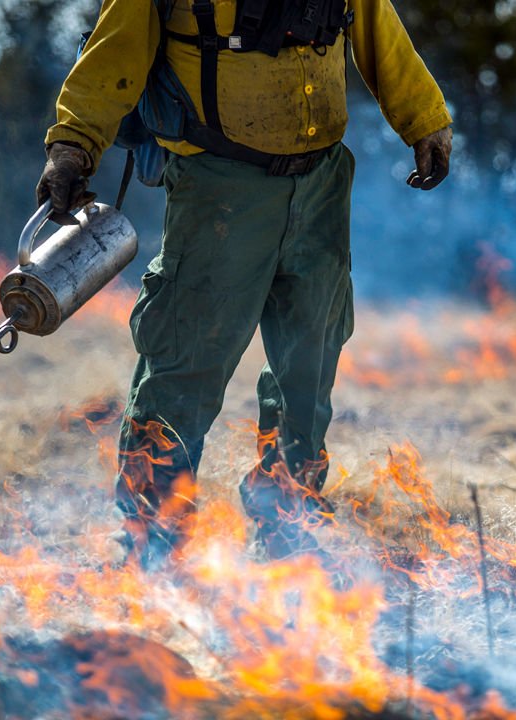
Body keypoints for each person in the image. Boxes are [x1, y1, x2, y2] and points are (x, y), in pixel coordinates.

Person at [35, 0, 453, 567]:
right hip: (219, 188)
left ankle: (289, 529)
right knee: (185, 365)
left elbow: (378, 28)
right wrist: (72, 147)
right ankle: (150, 543)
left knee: (308, 370)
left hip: (322, 186)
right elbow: (115, 48)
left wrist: (424, 118)